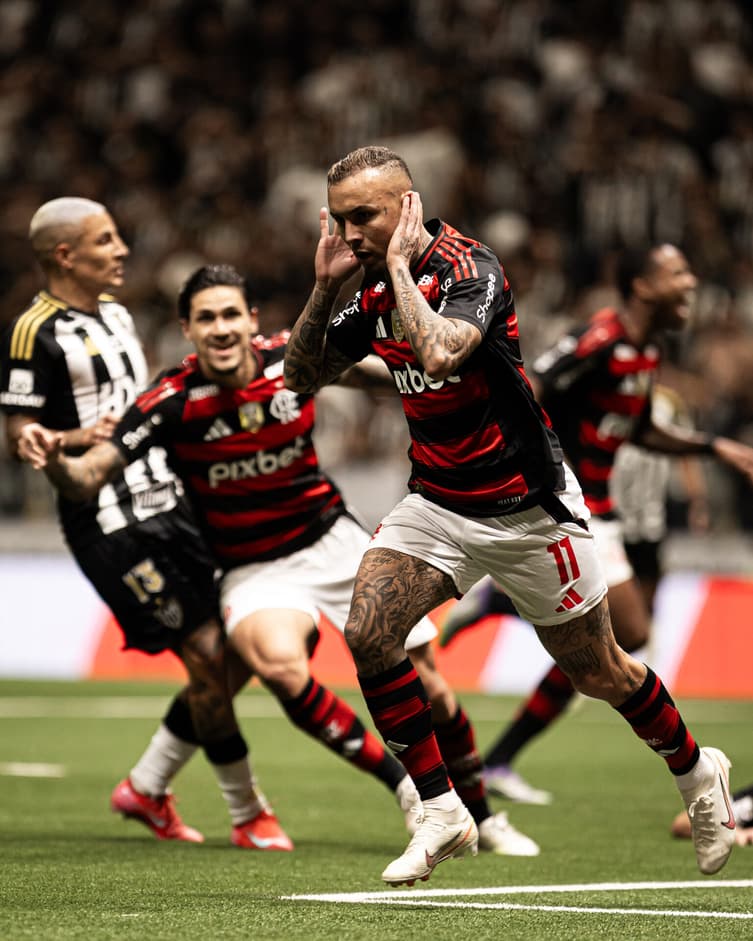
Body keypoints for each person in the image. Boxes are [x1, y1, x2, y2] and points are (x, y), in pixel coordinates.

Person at [282, 145, 749, 885]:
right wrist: (321, 287)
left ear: (407, 206)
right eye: (339, 219)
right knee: (368, 630)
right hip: (438, 501)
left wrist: (397, 268)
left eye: (363, 216)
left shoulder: (470, 267)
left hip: (528, 507)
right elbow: (301, 374)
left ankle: (698, 772)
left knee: (600, 669)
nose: (349, 233)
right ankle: (442, 808)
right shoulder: (364, 288)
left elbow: (441, 353)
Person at [28, 262, 537, 860]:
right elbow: (90, 474)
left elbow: (386, 377)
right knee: (278, 665)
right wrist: (55, 461)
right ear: (187, 330)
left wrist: (460, 374)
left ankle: (483, 815)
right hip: (254, 569)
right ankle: (406, 787)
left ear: (251, 320)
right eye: (206, 319)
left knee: (434, 692)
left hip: (334, 542)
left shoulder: (288, 362)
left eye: (230, 314)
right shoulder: (170, 400)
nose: (221, 329)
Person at [0, 197, 284, 851]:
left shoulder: (119, 314)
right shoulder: (33, 330)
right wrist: (65, 438)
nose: (122, 249)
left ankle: (147, 786)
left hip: (173, 502)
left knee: (240, 647)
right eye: (106, 239)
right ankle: (247, 811)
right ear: (65, 255)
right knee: (207, 654)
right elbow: (20, 429)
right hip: (108, 520)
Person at [440, 246, 752, 809]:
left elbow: (640, 429)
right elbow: (531, 384)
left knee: (599, 647)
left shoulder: (647, 350)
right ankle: (498, 614)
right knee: (625, 634)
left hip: (603, 509)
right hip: (567, 502)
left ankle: (501, 746)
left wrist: (713, 447)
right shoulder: (599, 338)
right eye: (677, 273)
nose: (690, 282)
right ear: (642, 286)